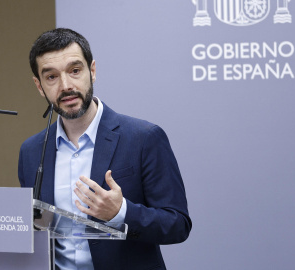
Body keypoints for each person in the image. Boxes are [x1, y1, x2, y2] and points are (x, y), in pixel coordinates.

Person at [18, 28, 191, 270]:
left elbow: (177, 225)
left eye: (75, 71)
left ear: (92, 71)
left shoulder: (144, 138)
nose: (66, 85)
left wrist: (121, 212)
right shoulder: (31, 151)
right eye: (51, 77)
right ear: (39, 86)